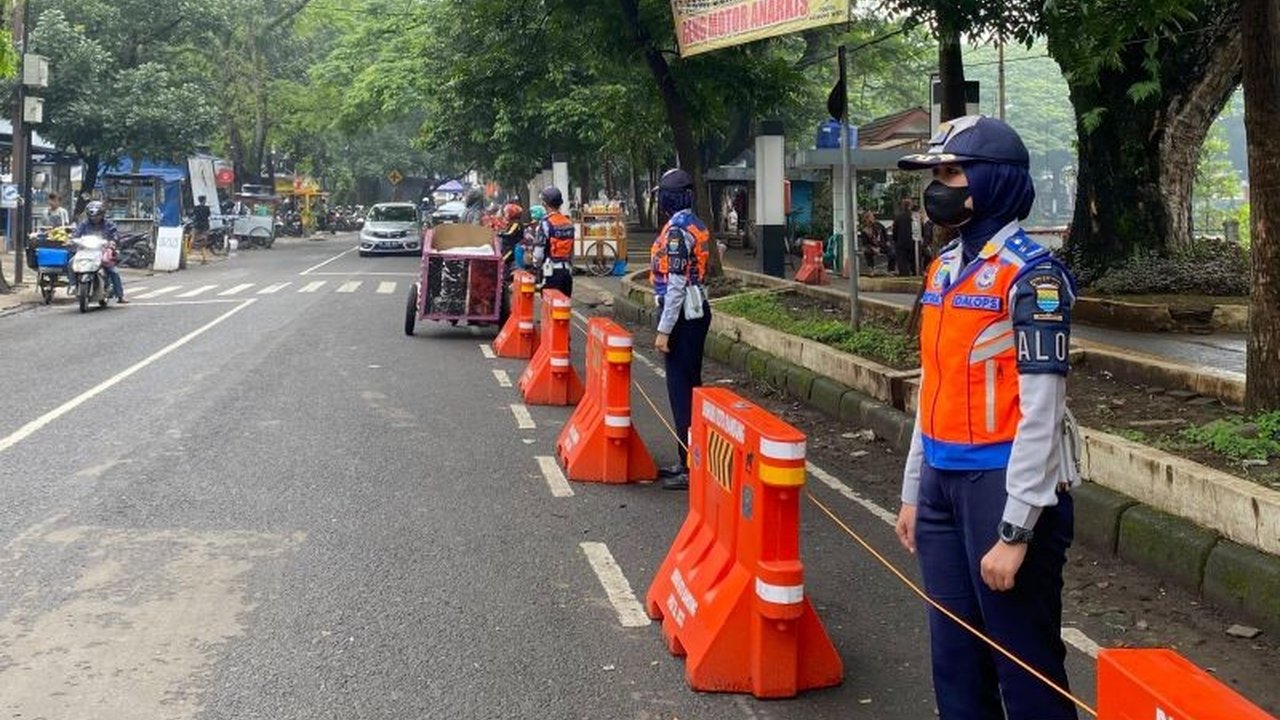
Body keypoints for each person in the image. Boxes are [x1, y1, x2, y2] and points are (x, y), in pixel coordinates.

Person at [893, 114, 1078, 720]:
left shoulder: (1035, 276)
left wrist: (1017, 529)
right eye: (936, 174)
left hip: (1004, 487)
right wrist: (914, 491)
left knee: (1024, 668)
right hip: (943, 484)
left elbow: (1042, 413)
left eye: (951, 173)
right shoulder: (945, 268)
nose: (937, 188)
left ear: (993, 181)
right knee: (955, 662)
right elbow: (935, 387)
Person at [650, 168, 711, 491]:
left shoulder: (676, 232)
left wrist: (663, 330)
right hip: (696, 309)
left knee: (681, 391)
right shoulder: (695, 224)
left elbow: (675, 285)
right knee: (690, 386)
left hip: (683, 315)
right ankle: (690, 459)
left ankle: (689, 464)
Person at [72, 200, 128, 304]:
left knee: (113, 271)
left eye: (97, 215)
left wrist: (112, 242)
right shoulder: (84, 224)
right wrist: (73, 239)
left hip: (102, 251)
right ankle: (73, 285)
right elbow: (76, 234)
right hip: (85, 251)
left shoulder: (108, 224)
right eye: (92, 216)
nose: (95, 218)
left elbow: (115, 234)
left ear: (102, 214)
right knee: (71, 263)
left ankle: (120, 295)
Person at [531, 186, 575, 297]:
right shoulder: (568, 223)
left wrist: (535, 265)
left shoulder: (545, 223)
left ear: (545, 204)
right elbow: (571, 251)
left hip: (550, 272)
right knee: (563, 307)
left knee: (550, 308)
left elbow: (538, 254)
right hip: (567, 273)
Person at [893, 197, 917, 276]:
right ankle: (915, 273)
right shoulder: (914, 217)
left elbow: (895, 230)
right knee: (913, 260)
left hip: (901, 242)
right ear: (911, 206)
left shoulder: (898, 217)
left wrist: (895, 240)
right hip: (913, 242)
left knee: (902, 261)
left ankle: (904, 274)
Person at [191, 195, 213, 264]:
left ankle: (189, 251)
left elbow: (193, 215)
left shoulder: (196, 208)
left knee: (193, 239)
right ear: (204, 200)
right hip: (205, 226)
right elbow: (208, 215)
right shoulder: (206, 208)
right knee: (203, 242)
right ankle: (204, 258)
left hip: (197, 226)